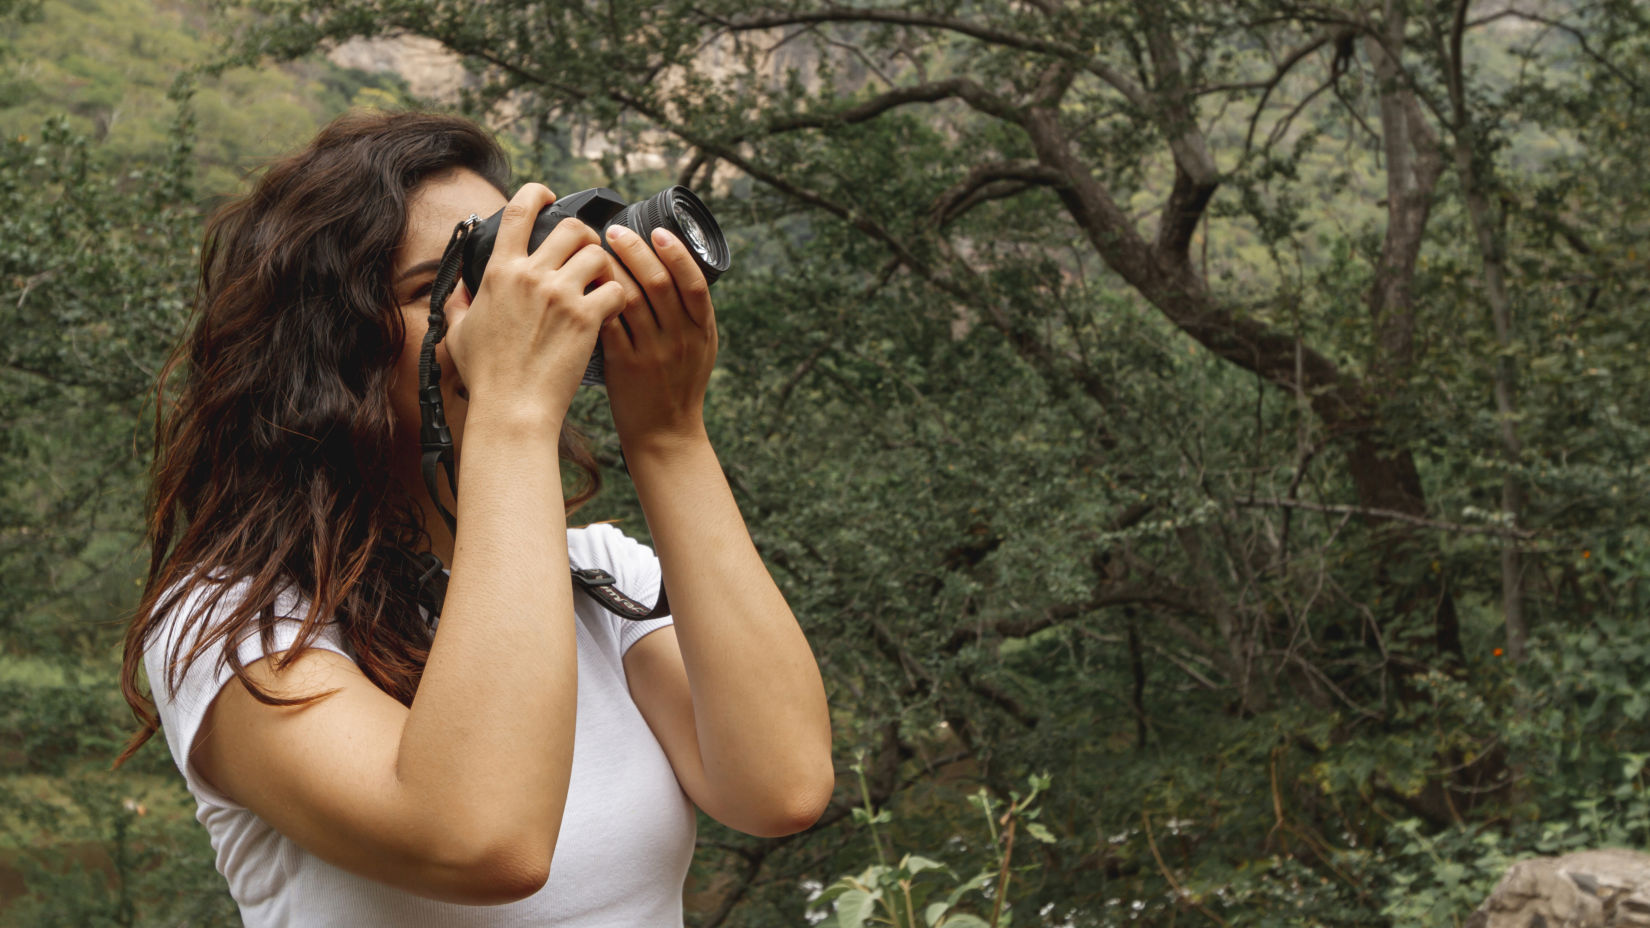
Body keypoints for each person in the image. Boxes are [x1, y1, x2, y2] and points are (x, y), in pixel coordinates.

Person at [116, 110, 834, 926]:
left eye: (509, 272)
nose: (500, 315)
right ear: (328, 347)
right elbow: (483, 838)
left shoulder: (599, 579)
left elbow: (781, 785)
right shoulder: (234, 623)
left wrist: (669, 436)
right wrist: (515, 413)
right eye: (438, 289)